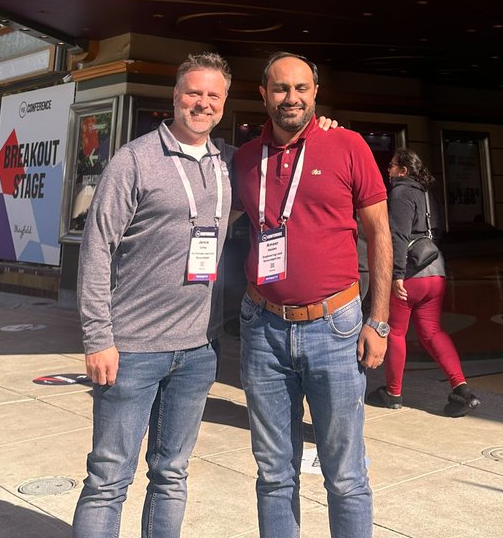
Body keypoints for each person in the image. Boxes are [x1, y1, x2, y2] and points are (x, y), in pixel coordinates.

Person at [72, 51, 235, 538]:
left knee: (171, 475)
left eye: (213, 95)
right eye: (194, 92)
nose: (202, 103)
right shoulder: (134, 160)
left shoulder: (226, 163)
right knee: (108, 478)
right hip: (132, 350)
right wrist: (97, 337)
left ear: (224, 102)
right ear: (175, 96)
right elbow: (97, 249)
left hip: (198, 350)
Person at [234, 52, 393, 538]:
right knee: (274, 473)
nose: (292, 98)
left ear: (316, 93)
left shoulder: (347, 145)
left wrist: (378, 320)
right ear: (263, 94)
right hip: (262, 329)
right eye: (281, 88)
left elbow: (380, 234)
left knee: (345, 475)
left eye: (301, 88)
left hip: (336, 325)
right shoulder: (243, 158)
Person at [368, 149, 480, 415]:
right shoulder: (428, 194)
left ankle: (393, 393)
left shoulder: (400, 193)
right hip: (435, 270)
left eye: (392, 166)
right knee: (432, 332)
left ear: (404, 171)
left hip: (410, 275)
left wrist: (396, 274)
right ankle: (461, 388)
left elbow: (398, 235)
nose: (389, 170)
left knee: (396, 332)